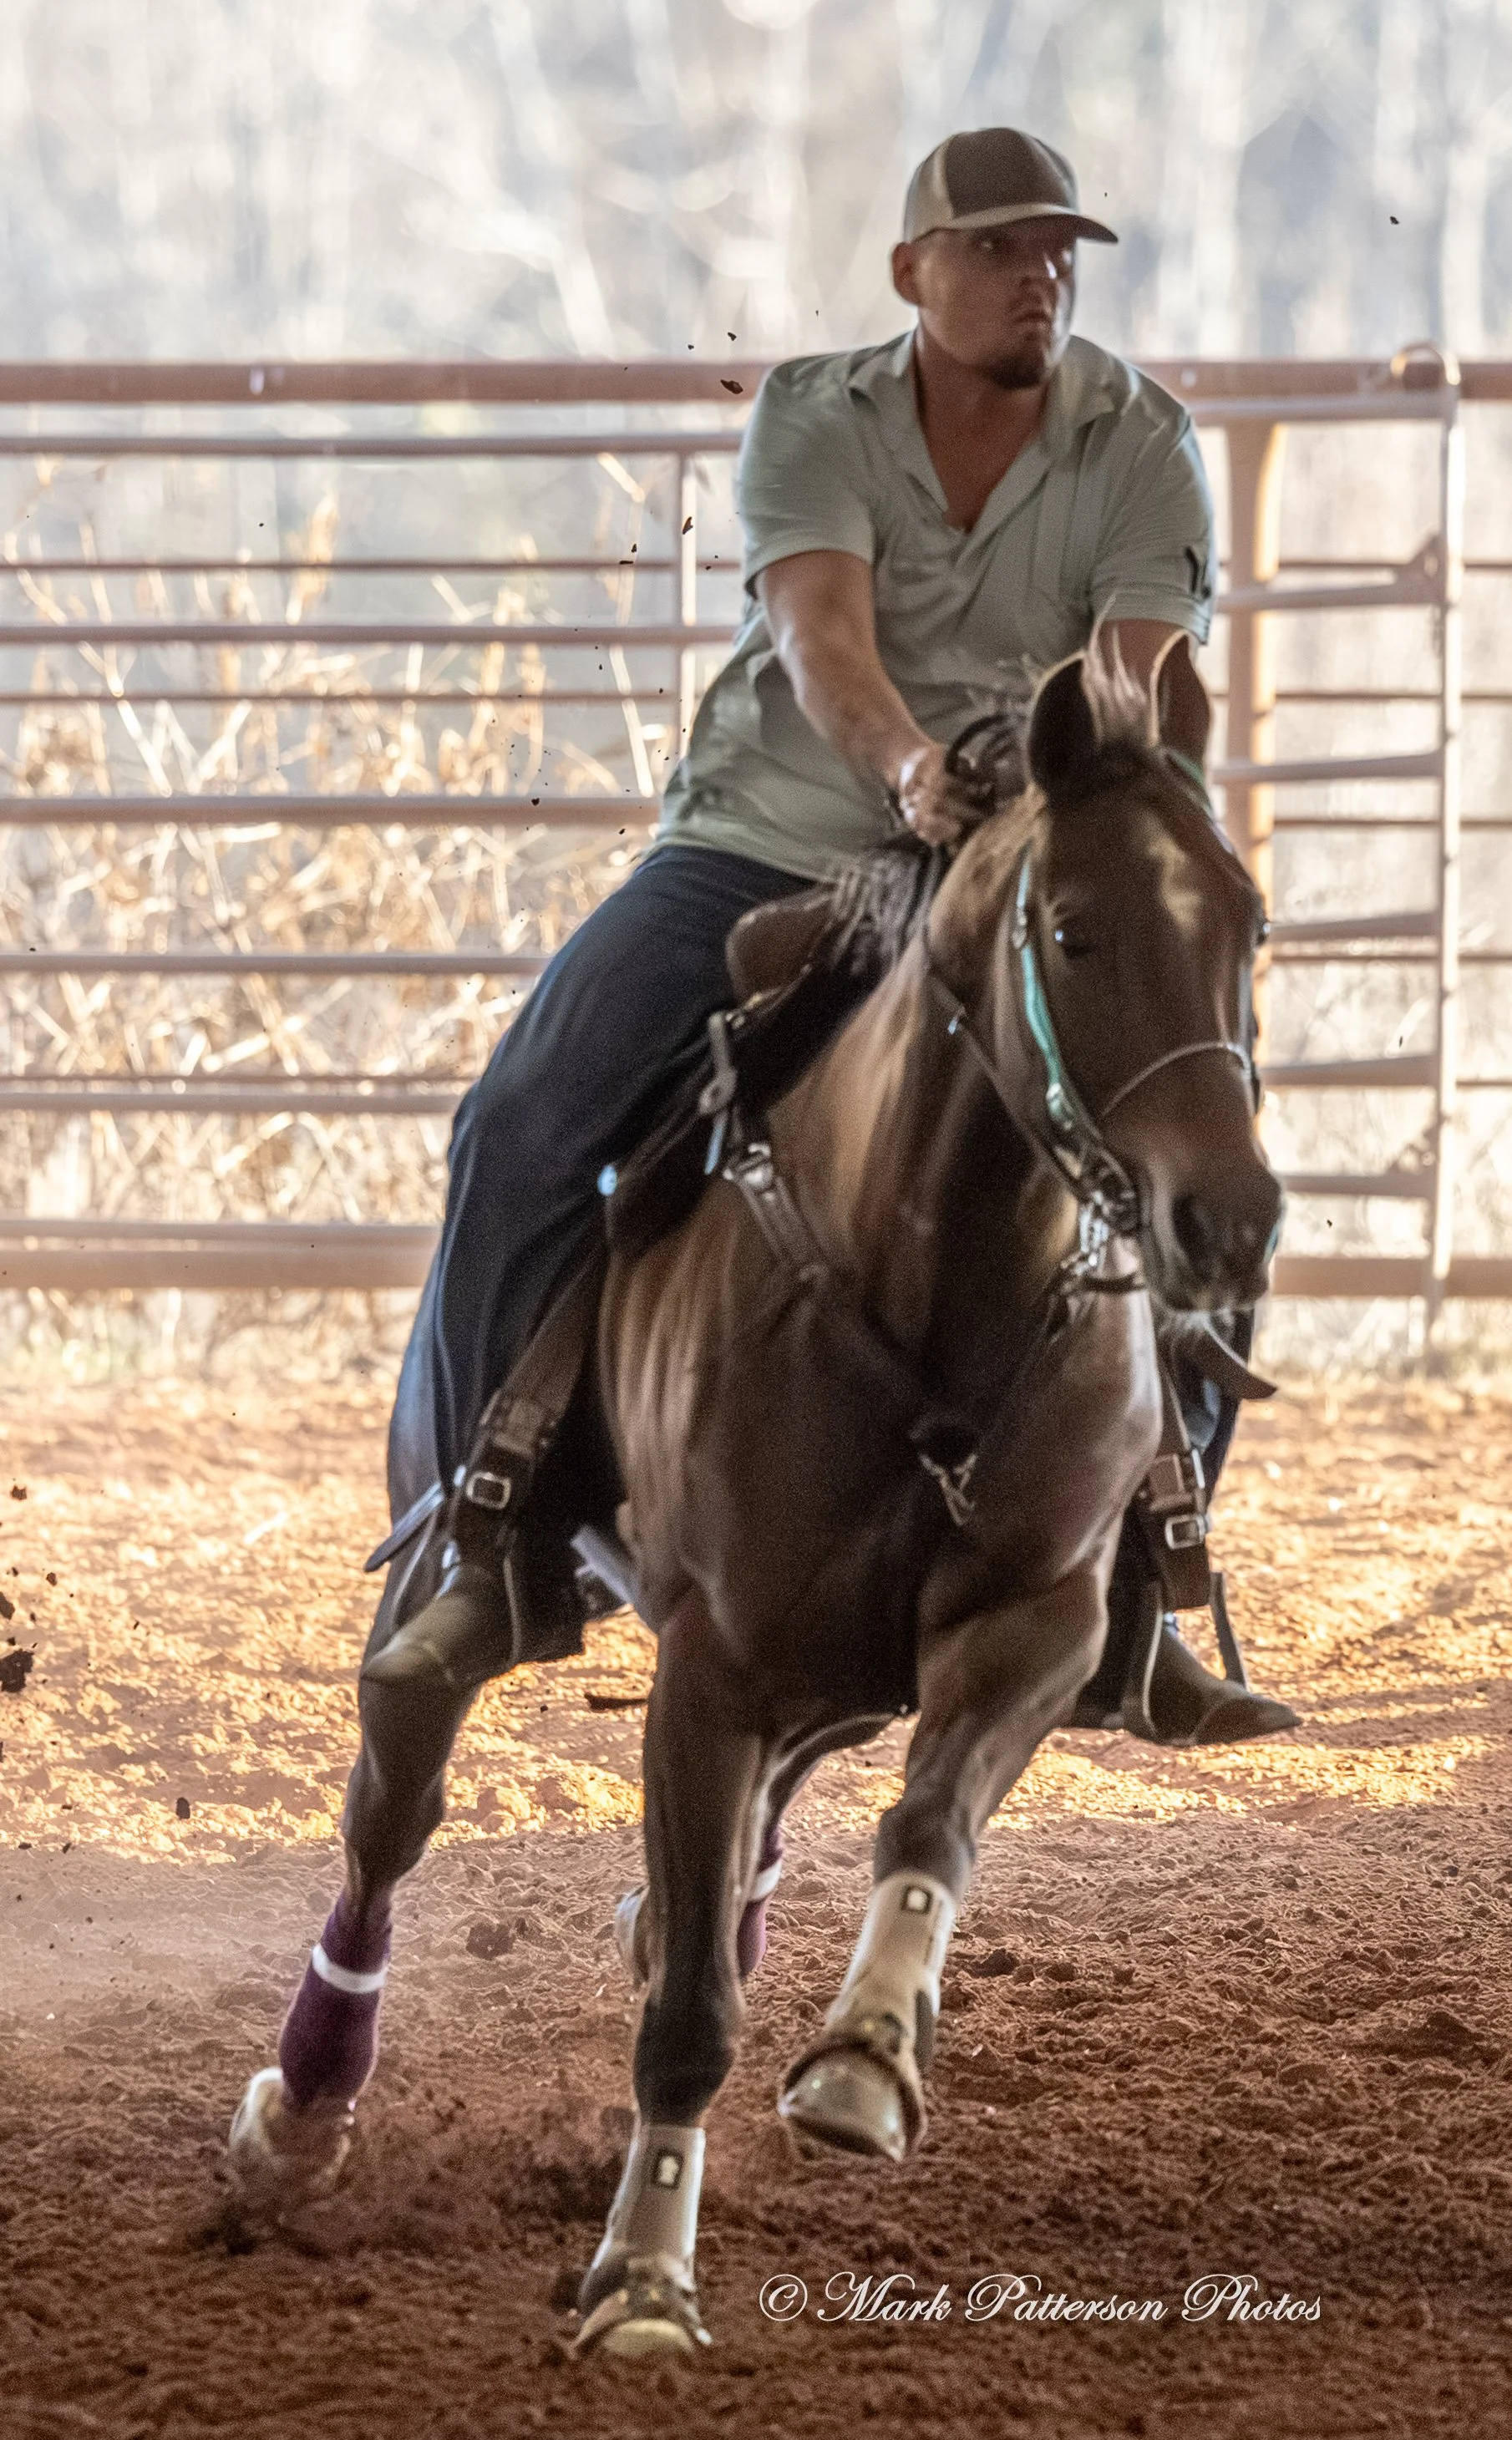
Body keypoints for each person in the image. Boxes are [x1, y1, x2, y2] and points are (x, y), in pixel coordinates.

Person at [373, 125, 1293, 1748]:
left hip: (1014, 877)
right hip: (766, 837)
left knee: (1197, 1134)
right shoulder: (815, 417)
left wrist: (1087, 801)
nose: (1040, 274)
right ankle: (488, 1524)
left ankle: (1148, 1568)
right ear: (910, 273)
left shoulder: (1136, 438)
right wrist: (909, 770)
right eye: (1001, 246)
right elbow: (815, 632)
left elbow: (1137, 681)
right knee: (523, 1118)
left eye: (1057, 249)